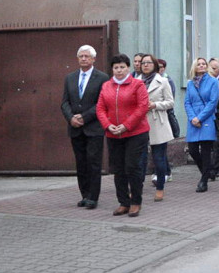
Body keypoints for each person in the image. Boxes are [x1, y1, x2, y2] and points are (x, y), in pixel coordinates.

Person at [95, 54, 150, 217]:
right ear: (112, 69)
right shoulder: (106, 86)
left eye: (122, 67)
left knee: (132, 166)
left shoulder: (137, 85)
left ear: (128, 68)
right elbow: (100, 108)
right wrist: (107, 125)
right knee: (118, 168)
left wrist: (126, 126)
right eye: (116, 67)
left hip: (135, 132)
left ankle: (135, 202)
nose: (119, 70)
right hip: (113, 133)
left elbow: (142, 107)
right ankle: (123, 202)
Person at [61, 45, 109, 209]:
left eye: (86, 56)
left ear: (93, 59)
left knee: (93, 162)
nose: (83, 59)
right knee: (80, 163)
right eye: (80, 56)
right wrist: (71, 118)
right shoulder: (70, 78)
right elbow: (65, 102)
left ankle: (93, 197)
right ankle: (84, 194)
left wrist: (85, 116)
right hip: (75, 127)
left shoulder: (102, 78)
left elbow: (102, 103)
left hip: (93, 127)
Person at [139, 54, 175, 202]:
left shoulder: (163, 81)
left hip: (157, 121)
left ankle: (160, 187)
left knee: (159, 159)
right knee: (139, 159)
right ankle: (137, 188)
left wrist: (155, 105)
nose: (145, 65)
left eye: (148, 63)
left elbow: (170, 102)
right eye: (143, 63)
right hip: (139, 123)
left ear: (154, 65)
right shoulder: (136, 81)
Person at [184, 57, 219, 192]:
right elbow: (187, 102)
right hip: (193, 120)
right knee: (193, 150)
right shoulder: (190, 84)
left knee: (205, 151)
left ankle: (203, 181)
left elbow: (213, 102)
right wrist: (193, 118)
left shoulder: (213, 82)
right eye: (199, 64)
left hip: (207, 119)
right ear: (194, 67)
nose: (202, 66)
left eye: (204, 64)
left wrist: (200, 118)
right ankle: (207, 170)